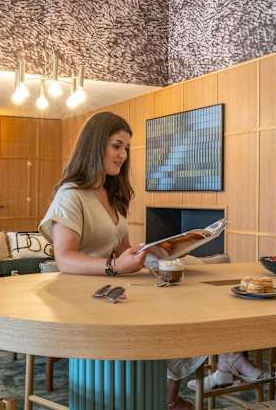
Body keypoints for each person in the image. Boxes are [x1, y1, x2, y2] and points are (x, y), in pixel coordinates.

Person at [39, 112, 197, 410]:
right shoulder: (71, 194)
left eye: (126, 148)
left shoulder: (113, 193)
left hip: (111, 288)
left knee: (183, 306)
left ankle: (164, 395)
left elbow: (123, 250)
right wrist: (114, 267)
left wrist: (158, 253)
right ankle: (161, 395)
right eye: (116, 146)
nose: (123, 155)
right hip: (82, 296)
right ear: (95, 145)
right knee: (163, 319)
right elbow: (65, 259)